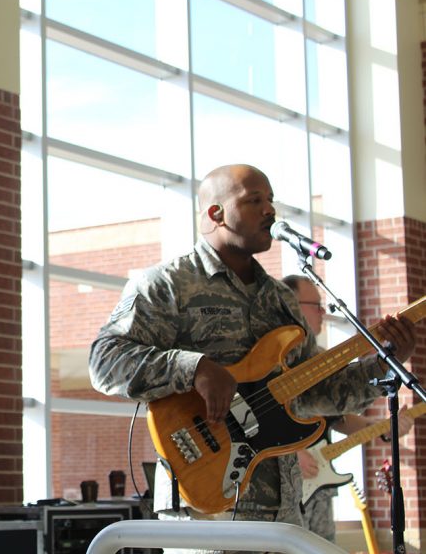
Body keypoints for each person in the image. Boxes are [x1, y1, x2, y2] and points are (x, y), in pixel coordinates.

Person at [89, 164, 416, 554]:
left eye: (271, 201)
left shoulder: (281, 300)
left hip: (282, 515)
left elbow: (316, 394)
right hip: (205, 510)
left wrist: (381, 363)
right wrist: (193, 369)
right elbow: (105, 360)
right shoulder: (167, 284)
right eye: (254, 200)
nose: (269, 211)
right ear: (216, 214)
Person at [282, 274, 414, 543]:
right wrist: (291, 453)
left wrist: (387, 431)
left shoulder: (318, 357)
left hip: (319, 488)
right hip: (281, 490)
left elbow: (339, 419)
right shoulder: (272, 358)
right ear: (291, 304)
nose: (322, 311)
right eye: (314, 304)